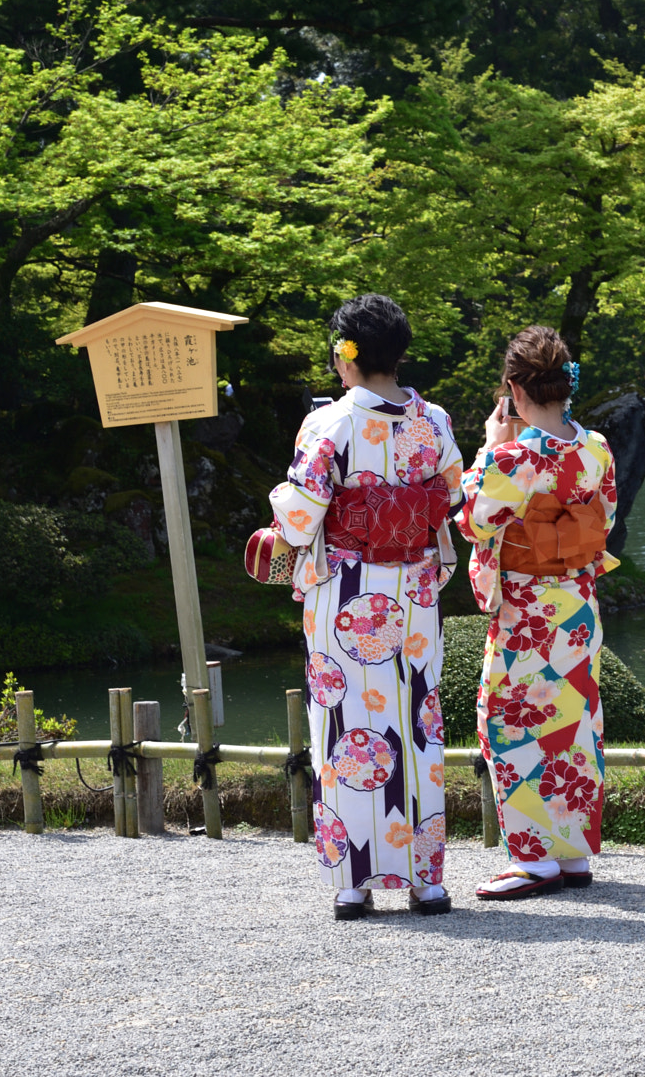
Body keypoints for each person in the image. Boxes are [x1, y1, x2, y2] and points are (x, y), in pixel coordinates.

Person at [267, 295, 462, 920]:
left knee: (347, 726)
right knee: (415, 722)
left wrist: (276, 495)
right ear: (398, 354)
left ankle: (353, 885)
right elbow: (452, 494)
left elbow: (300, 515)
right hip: (413, 592)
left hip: (347, 594)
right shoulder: (434, 421)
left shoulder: (330, 425)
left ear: (344, 355)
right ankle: (425, 881)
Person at [459, 326, 618, 901]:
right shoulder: (596, 447)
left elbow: (474, 520)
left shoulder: (512, 457)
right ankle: (572, 853)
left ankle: (534, 859)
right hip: (577, 606)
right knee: (574, 725)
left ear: (513, 390)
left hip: (528, 611)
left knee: (509, 723)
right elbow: (607, 517)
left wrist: (486, 445)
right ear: (564, 386)